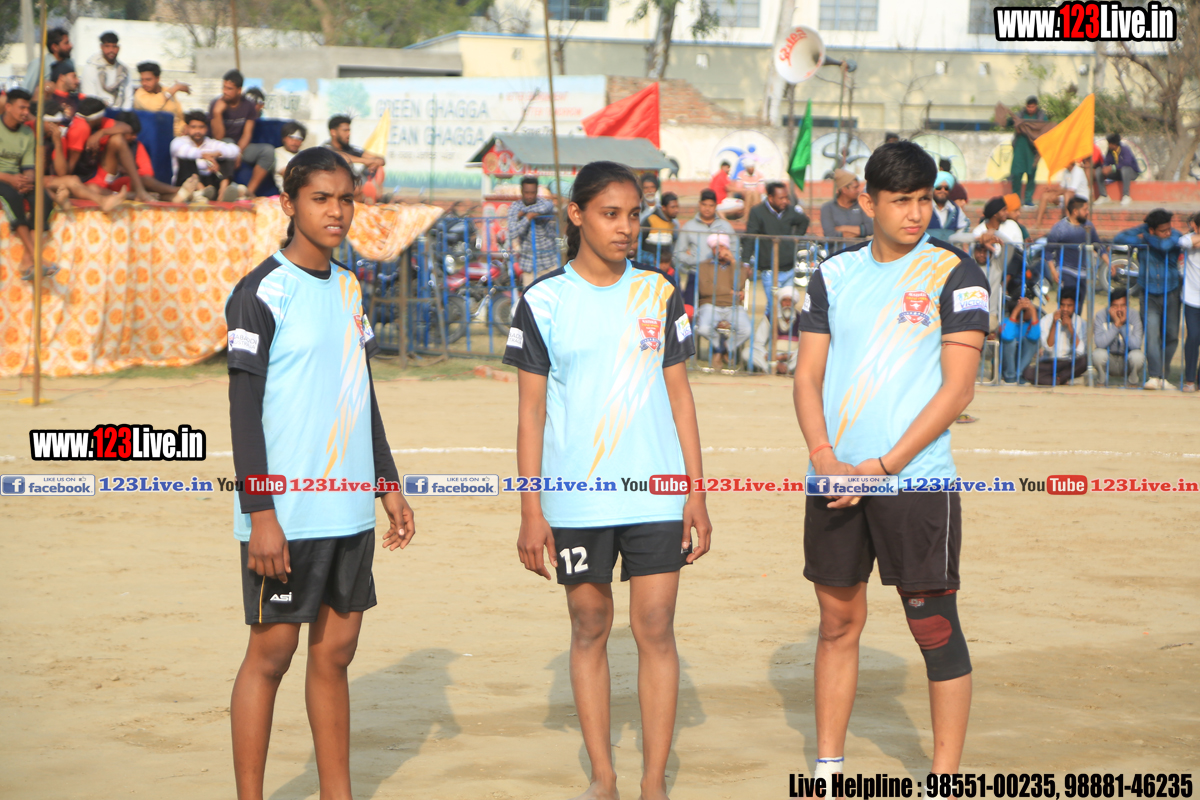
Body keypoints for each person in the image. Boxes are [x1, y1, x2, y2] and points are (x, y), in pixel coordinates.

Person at [502, 160, 711, 800]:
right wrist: (531, 510)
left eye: (633, 215)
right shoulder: (543, 301)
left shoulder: (659, 293)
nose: (626, 228)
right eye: (610, 214)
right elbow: (531, 414)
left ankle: (653, 782)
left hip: (656, 494)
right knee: (590, 624)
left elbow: (681, 399)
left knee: (656, 626)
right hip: (576, 499)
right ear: (577, 215)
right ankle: (604, 776)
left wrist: (696, 492)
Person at [795, 141, 988, 785]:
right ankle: (828, 773)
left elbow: (958, 391)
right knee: (836, 623)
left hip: (915, 480)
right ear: (867, 201)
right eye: (901, 200)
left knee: (933, 627)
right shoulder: (832, 275)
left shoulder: (957, 273)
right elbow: (807, 376)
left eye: (925, 199)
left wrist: (882, 467)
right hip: (834, 478)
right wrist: (825, 458)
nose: (916, 213)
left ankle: (946, 780)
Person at [225, 146, 415, 800]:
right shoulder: (259, 292)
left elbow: (361, 391)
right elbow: (243, 412)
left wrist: (387, 483)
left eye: (345, 199)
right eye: (321, 199)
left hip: (349, 511)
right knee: (271, 656)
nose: (336, 211)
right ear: (289, 204)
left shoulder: (350, 287)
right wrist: (262, 515)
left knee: (335, 655)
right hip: (287, 516)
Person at [1114, 209, 1183, 389]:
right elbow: (1119, 238)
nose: (1167, 233)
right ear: (1152, 229)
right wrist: (1144, 232)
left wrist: (1145, 238)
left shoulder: (1175, 236)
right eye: (1163, 230)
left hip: (1171, 292)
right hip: (1148, 294)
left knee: (1171, 335)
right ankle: (1154, 376)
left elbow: (1165, 245)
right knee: (1152, 335)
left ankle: (1164, 376)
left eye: (1168, 229)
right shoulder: (1145, 231)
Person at [0, 89, 57, 279]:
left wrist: (28, 180)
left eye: (28, 108)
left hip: (17, 178)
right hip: (3, 178)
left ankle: (27, 259)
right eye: (21, 108)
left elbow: (28, 166)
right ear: (8, 107)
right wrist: (10, 179)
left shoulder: (27, 133)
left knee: (43, 199)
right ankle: (36, 256)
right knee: (12, 197)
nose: (26, 112)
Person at [209, 69, 275, 197]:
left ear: (239, 90)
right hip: (220, 146)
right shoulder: (215, 104)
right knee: (228, 143)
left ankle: (249, 192)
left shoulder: (248, 106)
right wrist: (217, 113)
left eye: (229, 89)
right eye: (224, 87)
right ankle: (223, 192)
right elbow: (218, 137)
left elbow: (247, 134)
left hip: (241, 147)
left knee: (268, 151)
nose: (225, 91)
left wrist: (238, 152)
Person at [694, 233, 753, 369]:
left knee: (747, 330)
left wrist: (733, 262)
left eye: (722, 247)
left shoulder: (738, 266)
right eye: (716, 248)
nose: (719, 251)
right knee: (703, 328)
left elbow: (738, 284)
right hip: (710, 305)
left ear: (727, 248)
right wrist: (731, 292)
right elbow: (706, 289)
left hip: (733, 306)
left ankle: (724, 348)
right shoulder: (703, 266)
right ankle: (720, 348)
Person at [744, 181, 810, 290]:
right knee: (773, 300)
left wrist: (796, 238)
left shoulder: (790, 211)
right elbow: (750, 237)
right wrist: (746, 261)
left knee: (787, 300)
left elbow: (804, 221)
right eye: (781, 198)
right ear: (770, 198)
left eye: (786, 197)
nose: (785, 201)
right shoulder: (757, 212)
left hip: (789, 268)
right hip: (769, 269)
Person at [1044, 197, 1107, 303]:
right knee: (1067, 304)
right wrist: (1053, 271)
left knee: (1078, 306)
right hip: (1066, 271)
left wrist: (1109, 263)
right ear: (1075, 211)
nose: (1087, 212)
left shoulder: (1088, 226)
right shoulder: (1059, 228)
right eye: (1085, 209)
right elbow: (1048, 251)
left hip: (1084, 274)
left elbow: (1098, 246)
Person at [170, 110, 241, 202]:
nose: (197, 131)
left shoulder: (210, 142)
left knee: (225, 155)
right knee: (187, 159)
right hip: (188, 183)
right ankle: (202, 192)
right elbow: (183, 151)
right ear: (186, 128)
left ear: (206, 128)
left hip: (210, 183)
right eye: (193, 127)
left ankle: (222, 193)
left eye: (201, 127)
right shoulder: (179, 141)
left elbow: (235, 149)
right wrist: (206, 158)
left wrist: (216, 154)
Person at [677, 188, 738, 287]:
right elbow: (678, 253)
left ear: (716, 206)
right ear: (699, 204)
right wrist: (694, 261)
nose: (707, 209)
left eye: (711, 205)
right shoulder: (688, 226)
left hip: (721, 275)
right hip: (696, 274)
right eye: (704, 205)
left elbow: (736, 249)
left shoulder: (726, 226)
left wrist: (727, 260)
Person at [1024, 295, 1087, 385]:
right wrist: (1054, 324)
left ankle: (1058, 379)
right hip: (1050, 362)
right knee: (1028, 372)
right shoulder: (1046, 320)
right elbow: (1048, 348)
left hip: (1069, 363)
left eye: (1069, 306)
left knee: (1084, 361)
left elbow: (1080, 351)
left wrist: (1071, 328)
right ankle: (1062, 380)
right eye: (1062, 305)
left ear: (1076, 306)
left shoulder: (1081, 322)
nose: (1065, 309)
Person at [506, 175, 558, 277]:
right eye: (527, 193)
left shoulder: (543, 202)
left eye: (533, 193)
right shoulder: (515, 207)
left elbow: (547, 206)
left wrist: (524, 213)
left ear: (537, 192)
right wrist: (528, 218)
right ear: (521, 191)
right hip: (529, 264)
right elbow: (513, 233)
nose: (530, 196)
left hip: (549, 261)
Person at [1092, 288, 1145, 386]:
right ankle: (1101, 381)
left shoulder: (1134, 315)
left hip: (1127, 359)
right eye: (1115, 306)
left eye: (1123, 306)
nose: (1119, 310)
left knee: (1138, 356)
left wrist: (1122, 325)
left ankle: (1132, 382)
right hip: (1109, 358)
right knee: (1097, 354)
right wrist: (1116, 326)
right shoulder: (1101, 315)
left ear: (1128, 305)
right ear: (1110, 305)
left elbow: (1135, 345)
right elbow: (1099, 343)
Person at [749, 285, 801, 374]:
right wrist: (770, 356)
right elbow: (758, 342)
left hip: (791, 357)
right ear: (780, 302)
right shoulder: (770, 317)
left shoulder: (801, 319)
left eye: (790, 301)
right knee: (747, 353)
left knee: (805, 353)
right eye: (784, 300)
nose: (787, 304)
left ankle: (787, 369)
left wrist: (786, 356)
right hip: (771, 356)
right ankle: (770, 369)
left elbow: (803, 345)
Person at [1007, 95, 1047, 208]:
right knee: (1017, 174)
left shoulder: (1041, 117)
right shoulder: (1020, 115)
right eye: (1029, 107)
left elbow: (1046, 129)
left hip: (1033, 150)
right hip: (1019, 149)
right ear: (1026, 106)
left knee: (1031, 174)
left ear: (1036, 106)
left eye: (1032, 107)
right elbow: (1009, 122)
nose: (1030, 109)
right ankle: (1016, 199)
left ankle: (1028, 199)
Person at [133, 61, 190, 136]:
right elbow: (154, 107)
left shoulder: (167, 90)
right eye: (142, 80)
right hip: (156, 137)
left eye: (148, 79)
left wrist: (185, 126)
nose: (144, 83)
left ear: (157, 78)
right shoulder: (140, 94)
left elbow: (179, 113)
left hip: (179, 136)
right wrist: (176, 87)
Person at [79, 31, 132, 109]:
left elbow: (128, 97)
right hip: (98, 112)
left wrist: (124, 113)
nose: (111, 50)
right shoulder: (92, 68)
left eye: (114, 47)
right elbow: (90, 97)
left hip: (119, 112)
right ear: (101, 47)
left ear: (118, 48)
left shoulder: (124, 71)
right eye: (107, 46)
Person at [324, 115, 385, 180]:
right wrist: (365, 161)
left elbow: (380, 159)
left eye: (349, 131)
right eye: (345, 131)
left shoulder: (350, 149)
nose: (349, 134)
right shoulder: (325, 149)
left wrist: (374, 164)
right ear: (333, 132)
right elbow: (338, 157)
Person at [1035, 158, 1089, 228]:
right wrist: (1052, 189)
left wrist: (1056, 194)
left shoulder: (1078, 171)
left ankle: (1069, 222)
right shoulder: (1065, 171)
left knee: (1067, 195)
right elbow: (1062, 188)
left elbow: (1071, 190)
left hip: (1080, 198)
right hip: (1067, 195)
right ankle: (1038, 223)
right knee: (1045, 195)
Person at [820, 169, 872, 239]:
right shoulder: (827, 208)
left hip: (859, 246)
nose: (858, 190)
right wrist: (860, 231)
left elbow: (871, 228)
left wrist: (842, 228)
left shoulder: (861, 205)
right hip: (838, 247)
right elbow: (830, 234)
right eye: (855, 187)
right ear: (844, 189)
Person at [999, 296, 1040, 384]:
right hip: (1006, 361)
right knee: (1011, 342)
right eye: (1029, 309)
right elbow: (1007, 337)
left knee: (1032, 342)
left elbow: (1035, 337)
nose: (1031, 311)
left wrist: (1033, 311)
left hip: (1021, 359)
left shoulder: (1029, 323)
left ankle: (1020, 375)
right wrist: (1016, 311)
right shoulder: (1006, 321)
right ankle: (1010, 377)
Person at [1180, 213, 1200, 391]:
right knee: (1193, 336)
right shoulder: (1188, 237)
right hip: (1192, 298)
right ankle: (1189, 380)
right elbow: (1183, 243)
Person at [22, 27, 72, 94]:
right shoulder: (39, 64)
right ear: (54, 47)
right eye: (66, 43)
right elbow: (26, 91)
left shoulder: (69, 64)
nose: (70, 46)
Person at [1096, 133, 1140, 206]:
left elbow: (1127, 162)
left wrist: (1112, 167)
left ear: (1114, 144)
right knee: (1099, 171)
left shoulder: (1125, 149)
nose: (1108, 145)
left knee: (1125, 169)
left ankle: (1126, 196)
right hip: (1118, 173)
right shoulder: (1110, 151)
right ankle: (1104, 196)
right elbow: (1106, 162)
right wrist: (1104, 167)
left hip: (1131, 173)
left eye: (1109, 144)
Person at [641, 189, 679, 262]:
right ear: (664, 208)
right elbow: (640, 241)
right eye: (673, 207)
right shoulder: (651, 220)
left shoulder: (673, 224)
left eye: (677, 207)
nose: (676, 210)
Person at [928, 171, 968, 240]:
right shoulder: (925, 207)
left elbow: (964, 227)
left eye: (946, 188)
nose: (943, 191)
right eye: (939, 188)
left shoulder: (955, 209)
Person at [275, 121, 307, 186]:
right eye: (291, 137)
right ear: (284, 138)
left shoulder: (305, 154)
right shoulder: (277, 153)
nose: (294, 141)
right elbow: (288, 174)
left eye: (299, 138)